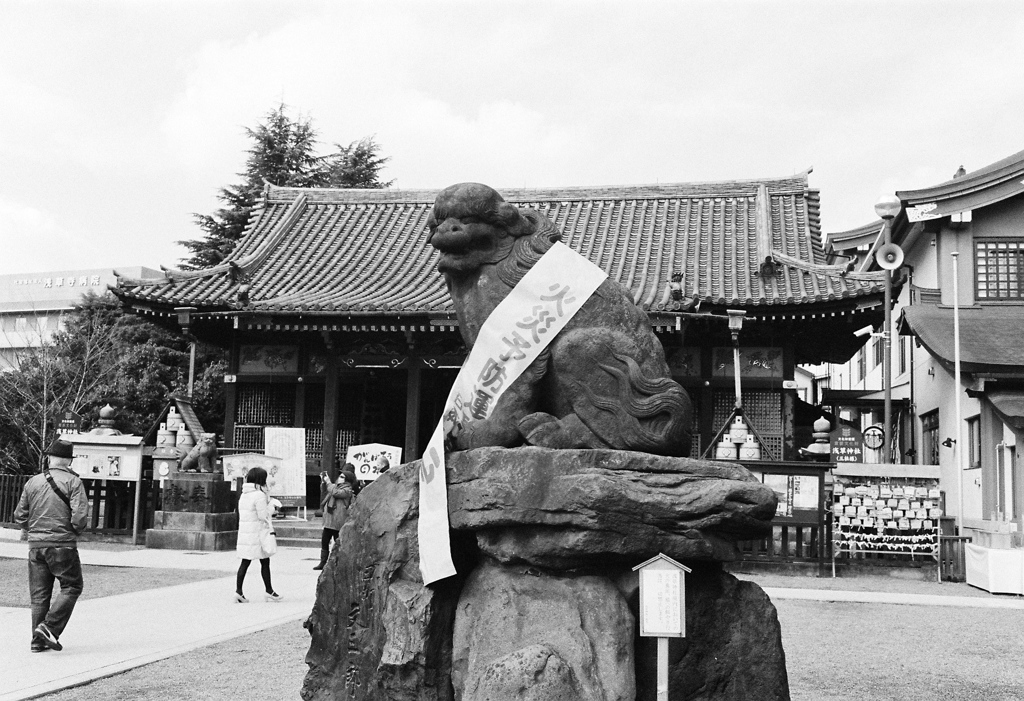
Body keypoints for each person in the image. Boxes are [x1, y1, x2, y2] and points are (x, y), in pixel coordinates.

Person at [14, 438, 89, 652]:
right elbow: (79, 516)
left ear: (49, 458)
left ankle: (37, 641)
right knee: (72, 586)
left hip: (36, 546)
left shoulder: (33, 482)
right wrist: (75, 531)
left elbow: (20, 514)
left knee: (39, 596)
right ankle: (49, 628)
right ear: (68, 461)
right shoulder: (74, 482)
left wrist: (34, 529)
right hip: (62, 544)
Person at [235, 467, 282, 603]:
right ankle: (269, 590)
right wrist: (272, 507)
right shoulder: (259, 495)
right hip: (258, 533)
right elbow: (263, 516)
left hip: (246, 532)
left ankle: (239, 591)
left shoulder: (244, 494)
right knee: (265, 561)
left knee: (245, 562)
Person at [314, 467, 356, 570]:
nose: (339, 478)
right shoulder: (334, 487)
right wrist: (324, 482)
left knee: (339, 544)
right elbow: (326, 492)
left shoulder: (347, 490)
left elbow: (335, 493)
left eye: (342, 477)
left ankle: (338, 563)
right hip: (329, 520)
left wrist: (328, 482)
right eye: (340, 476)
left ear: (347, 480)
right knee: (324, 541)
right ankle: (323, 562)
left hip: (339, 522)